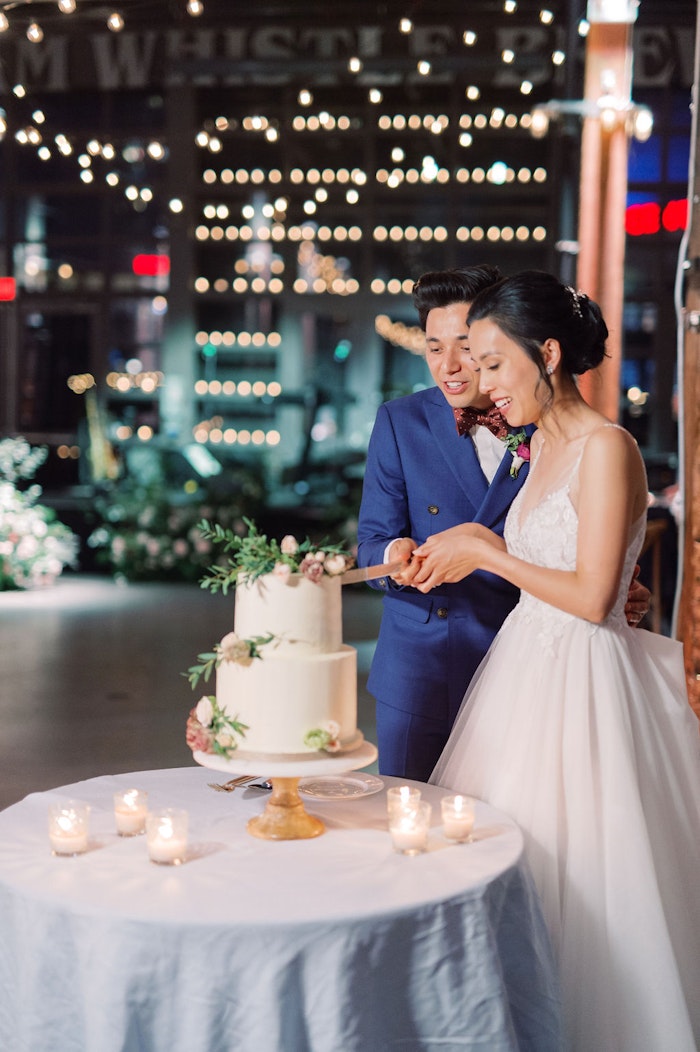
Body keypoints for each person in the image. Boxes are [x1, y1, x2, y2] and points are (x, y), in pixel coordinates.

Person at [410, 271, 700, 1051]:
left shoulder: (608, 448)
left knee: (588, 881)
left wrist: (487, 552)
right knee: (516, 873)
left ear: (546, 353)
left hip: (586, 689)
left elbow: (593, 596)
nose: (483, 382)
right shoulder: (538, 451)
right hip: (525, 680)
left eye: (495, 364)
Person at [357, 265, 649, 781]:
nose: (452, 367)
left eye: (472, 350)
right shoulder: (402, 422)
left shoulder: (554, 428)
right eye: (432, 347)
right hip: (424, 664)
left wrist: (619, 581)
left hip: (528, 663)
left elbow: (583, 552)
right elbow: (371, 541)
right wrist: (394, 556)